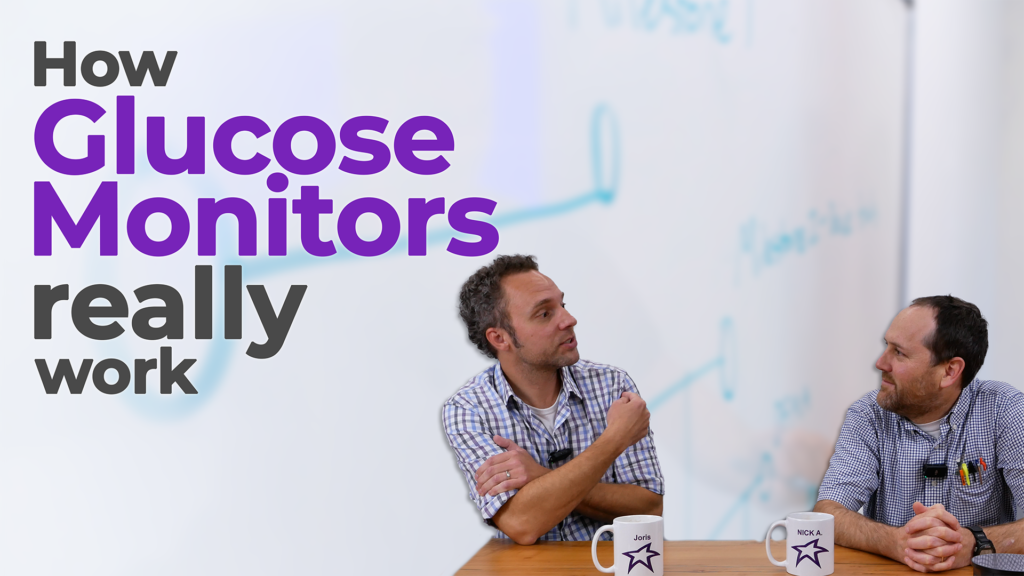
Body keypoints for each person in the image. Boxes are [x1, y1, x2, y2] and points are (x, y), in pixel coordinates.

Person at [442, 254, 664, 545]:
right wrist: (614, 439)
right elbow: (521, 523)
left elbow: (648, 508)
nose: (569, 320)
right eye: (545, 313)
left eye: (563, 305)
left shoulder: (612, 384)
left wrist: (540, 476)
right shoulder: (468, 410)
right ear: (499, 339)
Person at [814, 296, 1024, 572]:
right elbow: (828, 514)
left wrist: (974, 543)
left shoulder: (1005, 410)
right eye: (886, 346)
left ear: (950, 371)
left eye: (899, 352)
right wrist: (897, 542)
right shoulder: (867, 415)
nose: (881, 363)